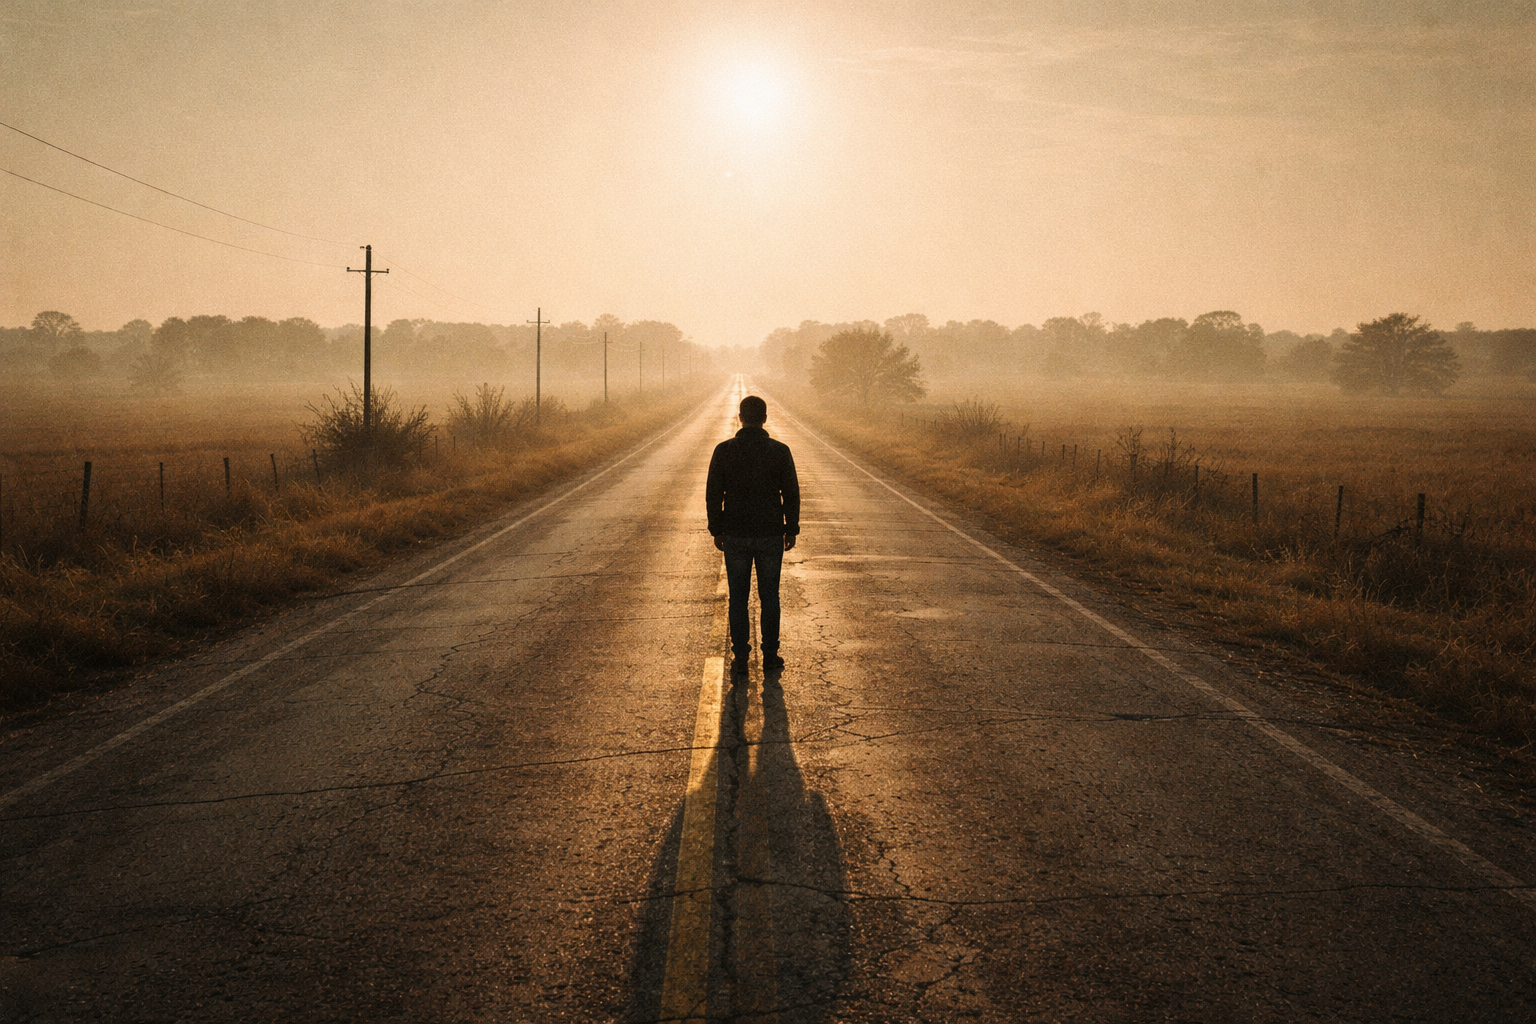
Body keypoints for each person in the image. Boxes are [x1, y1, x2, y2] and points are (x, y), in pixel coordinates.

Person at [705, 395, 800, 676]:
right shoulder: (780, 451)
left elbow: (713, 494)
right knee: (770, 595)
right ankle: (770, 655)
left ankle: (741, 657)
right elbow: (791, 494)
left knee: (738, 597)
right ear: (765, 418)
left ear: (740, 417)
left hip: (736, 533)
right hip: (770, 532)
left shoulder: (723, 451)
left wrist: (717, 529)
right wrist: (790, 528)